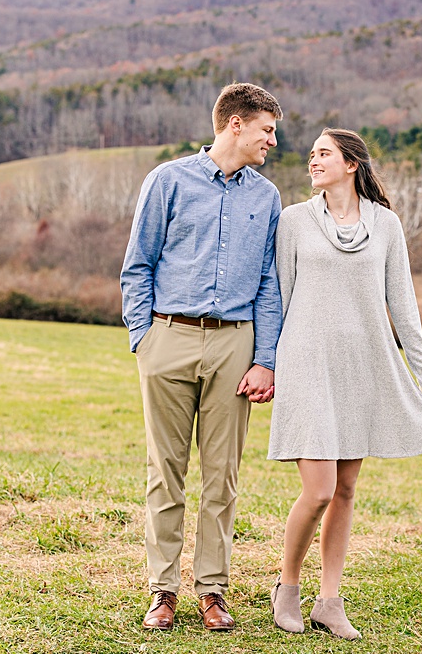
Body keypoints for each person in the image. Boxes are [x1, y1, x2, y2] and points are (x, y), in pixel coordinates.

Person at [267, 128, 422, 640]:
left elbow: (403, 306)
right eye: (312, 155)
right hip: (307, 363)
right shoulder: (293, 221)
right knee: (319, 488)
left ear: (351, 164)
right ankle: (289, 586)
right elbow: (278, 297)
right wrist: (267, 363)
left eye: (324, 154)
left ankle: (329, 599)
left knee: (346, 489)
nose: (312, 161)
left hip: (363, 364)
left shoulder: (385, 224)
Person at [120, 82, 283, 632]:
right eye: (266, 130)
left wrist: (265, 358)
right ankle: (161, 590)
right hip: (168, 338)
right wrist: (144, 339)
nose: (273, 141)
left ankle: (212, 590)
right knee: (164, 472)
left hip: (236, 346)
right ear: (234, 124)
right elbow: (137, 264)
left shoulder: (267, 197)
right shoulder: (167, 180)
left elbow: (268, 284)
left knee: (223, 477)